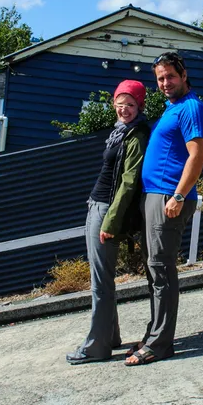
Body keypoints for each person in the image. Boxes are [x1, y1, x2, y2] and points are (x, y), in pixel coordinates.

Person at [126, 51, 203, 366]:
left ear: (183, 75)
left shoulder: (192, 108)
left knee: (161, 271)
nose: (164, 83)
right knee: (154, 269)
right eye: (160, 78)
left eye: (170, 76)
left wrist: (177, 195)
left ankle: (160, 344)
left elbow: (197, 157)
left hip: (169, 199)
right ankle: (154, 334)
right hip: (156, 196)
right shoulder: (172, 108)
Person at [65, 80, 151, 365]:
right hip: (98, 205)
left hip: (106, 211)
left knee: (100, 282)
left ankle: (96, 347)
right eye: (120, 103)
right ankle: (110, 337)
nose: (124, 109)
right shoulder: (119, 132)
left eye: (131, 104)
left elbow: (129, 183)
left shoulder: (136, 136)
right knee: (103, 279)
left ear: (140, 106)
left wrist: (110, 222)